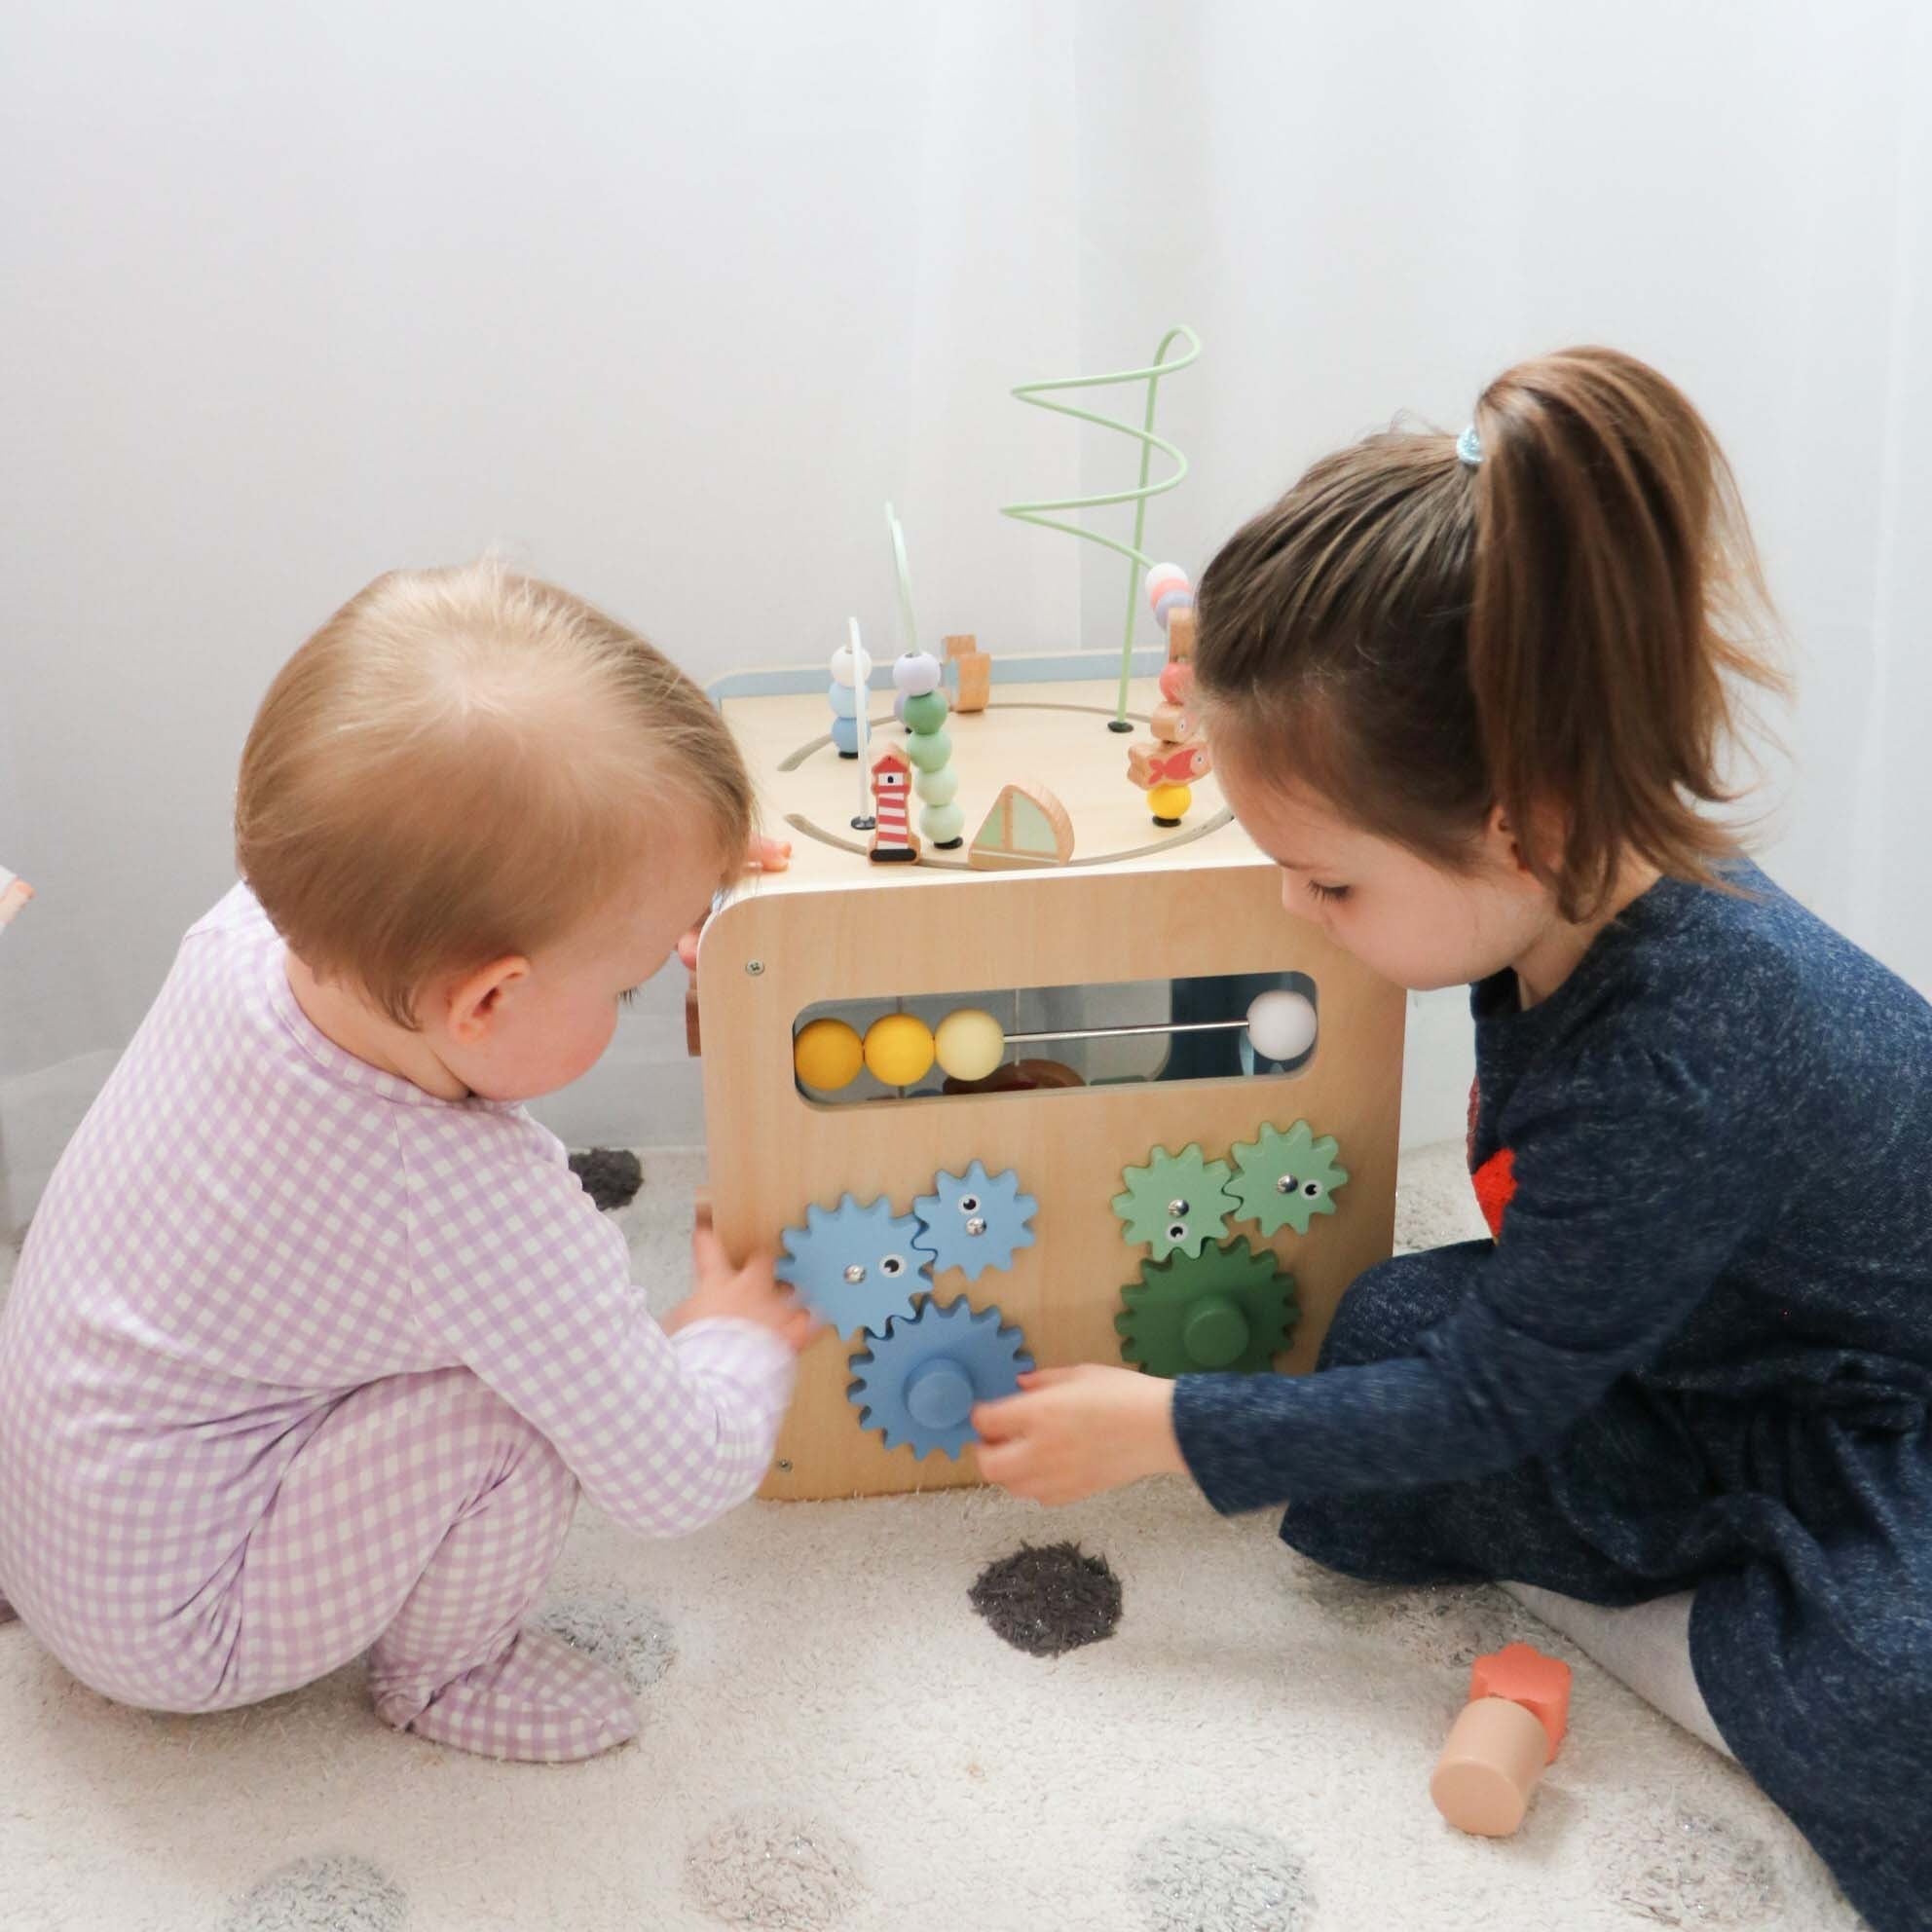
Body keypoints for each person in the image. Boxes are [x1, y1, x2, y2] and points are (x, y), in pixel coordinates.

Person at [975, 349, 1932, 1929]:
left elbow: (1493, 1391)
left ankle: (1691, 1638)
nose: (1294, 908)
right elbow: (1483, 1340)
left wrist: (1168, 1424)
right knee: (1379, 1329)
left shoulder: (1677, 1054)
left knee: (1891, 1702)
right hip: (1697, 1338)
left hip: (1869, 1399)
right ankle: (1709, 1580)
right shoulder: (1555, 886)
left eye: (1327, 881)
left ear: (1522, 826)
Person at [0, 562, 806, 1763]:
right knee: (510, 1421)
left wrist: (649, 881)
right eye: (628, 978)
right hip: (173, 1628)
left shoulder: (252, 934)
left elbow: (449, 833)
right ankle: (449, 1675)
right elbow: (674, 1475)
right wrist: (731, 1336)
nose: (642, 984)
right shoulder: (482, 1212)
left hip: (51, 1498)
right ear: (485, 1000)